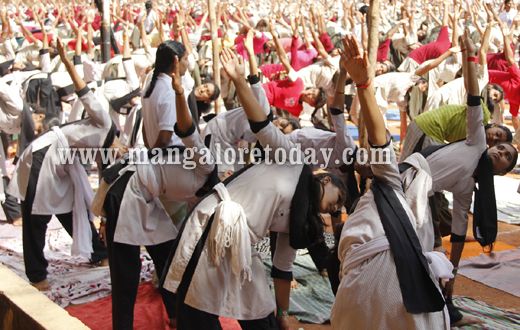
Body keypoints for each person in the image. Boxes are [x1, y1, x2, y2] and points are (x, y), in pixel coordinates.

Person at [161, 48, 347, 330]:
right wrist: (239, 80)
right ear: (325, 179)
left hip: (243, 249)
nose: (337, 207)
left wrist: (284, 315)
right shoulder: (294, 162)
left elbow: (283, 269)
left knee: (264, 317)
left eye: (338, 209)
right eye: (339, 198)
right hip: (212, 227)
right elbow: (263, 127)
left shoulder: (299, 224)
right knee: (199, 314)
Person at [330, 34, 450, 329]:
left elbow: (380, 140)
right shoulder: (408, 218)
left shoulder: (392, 188)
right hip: (393, 297)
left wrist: (364, 86)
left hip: (372, 291)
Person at [95, 55, 216, 330]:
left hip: (145, 192)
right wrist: (180, 93)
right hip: (126, 188)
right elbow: (186, 131)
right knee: (126, 270)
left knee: (168, 256)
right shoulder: (205, 164)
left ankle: (176, 316)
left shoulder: (206, 197)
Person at [6, 38, 125, 292]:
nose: (123, 154)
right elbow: (84, 92)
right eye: (124, 150)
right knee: (36, 215)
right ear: (121, 140)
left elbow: (103, 190)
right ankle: (37, 275)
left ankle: (99, 252)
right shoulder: (103, 122)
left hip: (64, 164)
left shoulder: (106, 156)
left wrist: (104, 221)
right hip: (44, 154)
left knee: (74, 206)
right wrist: (67, 59)